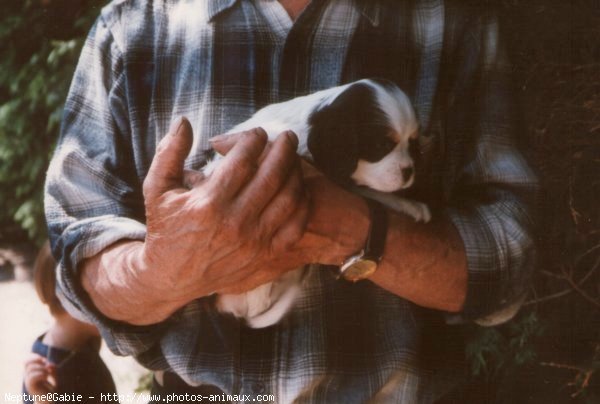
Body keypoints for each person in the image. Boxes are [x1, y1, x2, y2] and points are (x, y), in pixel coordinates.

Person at [45, 0, 538, 402]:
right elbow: (75, 264)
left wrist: (354, 231)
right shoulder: (133, 26)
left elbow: (512, 262)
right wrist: (162, 268)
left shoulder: (451, 22)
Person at [22, 242, 117, 404]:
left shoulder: (84, 339)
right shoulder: (48, 374)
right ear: (71, 302)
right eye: (105, 293)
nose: (115, 303)